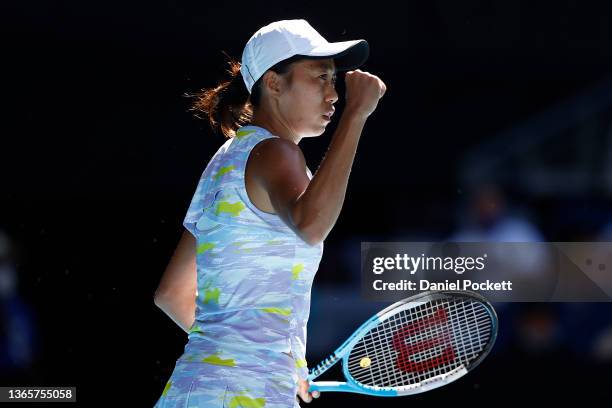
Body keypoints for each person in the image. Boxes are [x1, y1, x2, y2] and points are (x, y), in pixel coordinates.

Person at [153, 19, 386, 407]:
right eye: (320, 78)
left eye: (334, 81)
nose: (334, 94)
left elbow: (172, 294)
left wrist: (266, 358)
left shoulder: (226, 161)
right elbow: (311, 226)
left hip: (192, 391)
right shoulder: (276, 152)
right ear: (274, 83)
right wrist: (357, 115)